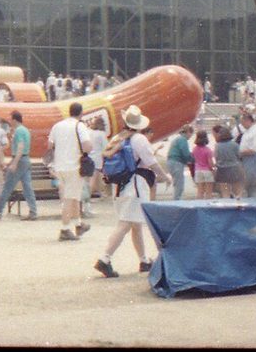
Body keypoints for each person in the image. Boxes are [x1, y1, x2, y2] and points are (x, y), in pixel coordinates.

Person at [93, 106, 169, 278]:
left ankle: (143, 260)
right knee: (126, 223)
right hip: (135, 184)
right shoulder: (139, 139)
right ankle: (104, 259)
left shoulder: (118, 137)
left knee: (134, 223)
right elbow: (151, 162)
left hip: (120, 184)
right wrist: (164, 176)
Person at [49, 103, 95, 241]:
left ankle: (78, 224)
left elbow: (50, 145)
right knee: (70, 198)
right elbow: (87, 146)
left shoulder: (57, 126)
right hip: (74, 166)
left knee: (74, 196)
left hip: (59, 166)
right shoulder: (79, 126)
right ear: (81, 113)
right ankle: (65, 228)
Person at [0, 111, 38, 220]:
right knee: (27, 187)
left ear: (15, 120)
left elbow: (20, 147)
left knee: (7, 186)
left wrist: (14, 162)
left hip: (19, 159)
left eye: (11, 120)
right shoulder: (25, 130)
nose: (10, 122)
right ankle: (33, 211)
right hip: (25, 159)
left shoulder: (19, 131)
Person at [82, 116, 109, 217]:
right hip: (97, 160)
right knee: (93, 182)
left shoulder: (87, 132)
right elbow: (106, 147)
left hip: (87, 159)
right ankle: (86, 200)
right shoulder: (101, 134)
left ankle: (100, 194)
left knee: (89, 180)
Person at [238, 111, 256, 196]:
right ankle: (250, 195)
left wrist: (241, 152)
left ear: (248, 121)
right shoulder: (247, 131)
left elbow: (255, 149)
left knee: (255, 178)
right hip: (246, 159)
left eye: (243, 123)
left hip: (254, 158)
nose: (242, 125)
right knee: (248, 179)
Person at [211, 125, 244, 198]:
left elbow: (216, 157)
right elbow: (239, 156)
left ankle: (226, 203)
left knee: (225, 190)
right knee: (237, 189)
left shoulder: (217, 146)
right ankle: (239, 202)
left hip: (222, 170)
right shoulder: (234, 145)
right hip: (234, 170)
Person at [165, 125, 194, 201]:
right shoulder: (183, 140)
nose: (190, 136)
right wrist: (193, 159)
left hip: (171, 162)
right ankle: (177, 202)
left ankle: (176, 200)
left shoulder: (177, 139)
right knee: (179, 185)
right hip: (176, 163)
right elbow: (185, 153)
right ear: (188, 132)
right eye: (191, 134)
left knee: (176, 183)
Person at [191, 129, 215, 199]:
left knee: (200, 191)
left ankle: (199, 204)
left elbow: (194, 159)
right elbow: (210, 163)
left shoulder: (194, 149)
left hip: (198, 170)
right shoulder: (208, 150)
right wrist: (213, 169)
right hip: (207, 171)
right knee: (209, 191)